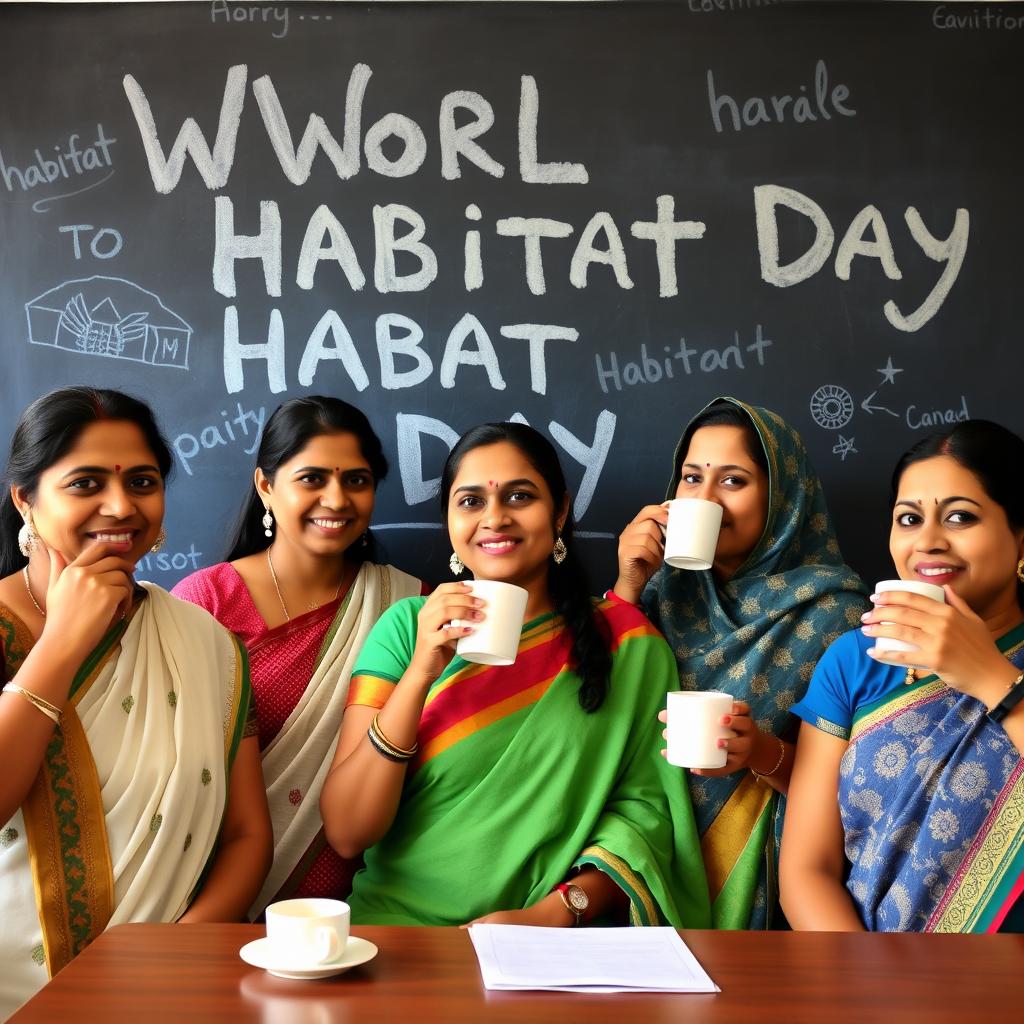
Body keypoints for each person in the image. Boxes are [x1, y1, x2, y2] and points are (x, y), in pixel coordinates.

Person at [319, 422, 710, 928]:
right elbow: (348, 831)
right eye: (471, 501)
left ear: (560, 511)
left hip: (542, 950)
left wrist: (555, 914)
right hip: (394, 940)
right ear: (451, 525)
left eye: (519, 496)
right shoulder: (404, 629)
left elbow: (644, 819)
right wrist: (421, 672)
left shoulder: (628, 647)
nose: (495, 518)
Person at [0, 387, 272, 1018]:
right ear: (26, 502)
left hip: (164, 993)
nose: (120, 506)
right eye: (85, 483)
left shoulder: (206, 642)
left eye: (142, 481)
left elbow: (247, 835)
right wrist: (62, 644)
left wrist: (165, 962)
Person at [612, 397, 867, 928]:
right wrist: (628, 584)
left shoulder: (835, 616)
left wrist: (763, 753)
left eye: (732, 481)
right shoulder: (657, 595)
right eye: (690, 478)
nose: (705, 500)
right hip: (638, 864)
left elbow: (867, 792)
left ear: (782, 499)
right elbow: (590, 718)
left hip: (775, 881)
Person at [172, 397, 420, 917]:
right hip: (217, 901)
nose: (337, 499)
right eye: (312, 479)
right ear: (266, 485)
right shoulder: (207, 602)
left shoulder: (408, 606)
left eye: (357, 480)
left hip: (369, 905)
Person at [781, 420, 1024, 933]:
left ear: (1020, 536)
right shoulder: (853, 662)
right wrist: (866, 987)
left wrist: (990, 678)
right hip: (871, 983)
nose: (928, 542)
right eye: (909, 519)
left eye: (960, 517)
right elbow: (807, 871)